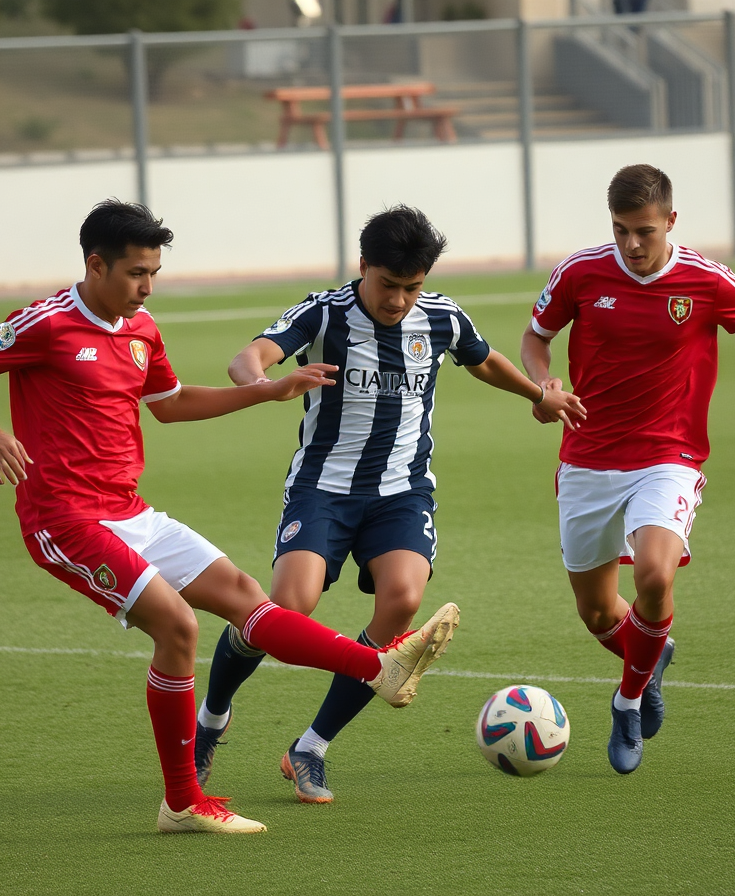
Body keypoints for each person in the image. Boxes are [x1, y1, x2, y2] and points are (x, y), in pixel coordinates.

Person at [0, 199, 460, 834]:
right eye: (135, 273)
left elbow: (172, 402)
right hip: (64, 518)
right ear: (95, 266)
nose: (147, 287)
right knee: (178, 626)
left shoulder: (141, 329)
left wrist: (265, 390)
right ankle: (183, 801)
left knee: (248, 598)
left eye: (154, 272)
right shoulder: (47, 323)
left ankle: (377, 667)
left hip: (129, 512)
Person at [196, 205, 586, 803]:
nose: (399, 300)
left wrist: (539, 394)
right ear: (362, 266)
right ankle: (212, 720)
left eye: (412, 287)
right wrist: (263, 383)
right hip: (323, 488)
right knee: (285, 610)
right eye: (388, 285)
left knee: (402, 599)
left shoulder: (441, 318)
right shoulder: (324, 311)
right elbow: (249, 357)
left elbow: (484, 361)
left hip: (402, 492)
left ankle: (311, 747)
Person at [520, 164, 735, 775]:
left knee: (655, 577)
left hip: (668, 455)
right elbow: (537, 337)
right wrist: (544, 385)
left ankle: (627, 699)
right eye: (620, 230)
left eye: (643, 230)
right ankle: (650, 655)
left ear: (670, 221)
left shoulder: (707, 280)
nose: (632, 244)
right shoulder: (580, 271)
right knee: (596, 612)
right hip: (587, 458)